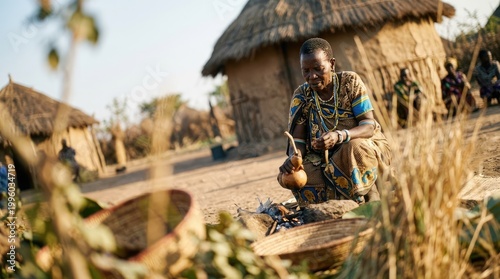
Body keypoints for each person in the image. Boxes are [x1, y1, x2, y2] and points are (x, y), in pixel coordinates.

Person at [277, 38, 391, 206]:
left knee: (353, 149)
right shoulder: (301, 96)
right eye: (306, 71)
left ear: (332, 63)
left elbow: (368, 126)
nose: (312, 76)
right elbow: (298, 141)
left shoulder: (350, 83)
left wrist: (340, 136)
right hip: (324, 158)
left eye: (318, 69)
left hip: (363, 146)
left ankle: (370, 195)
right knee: (300, 174)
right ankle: (334, 205)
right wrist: (295, 160)